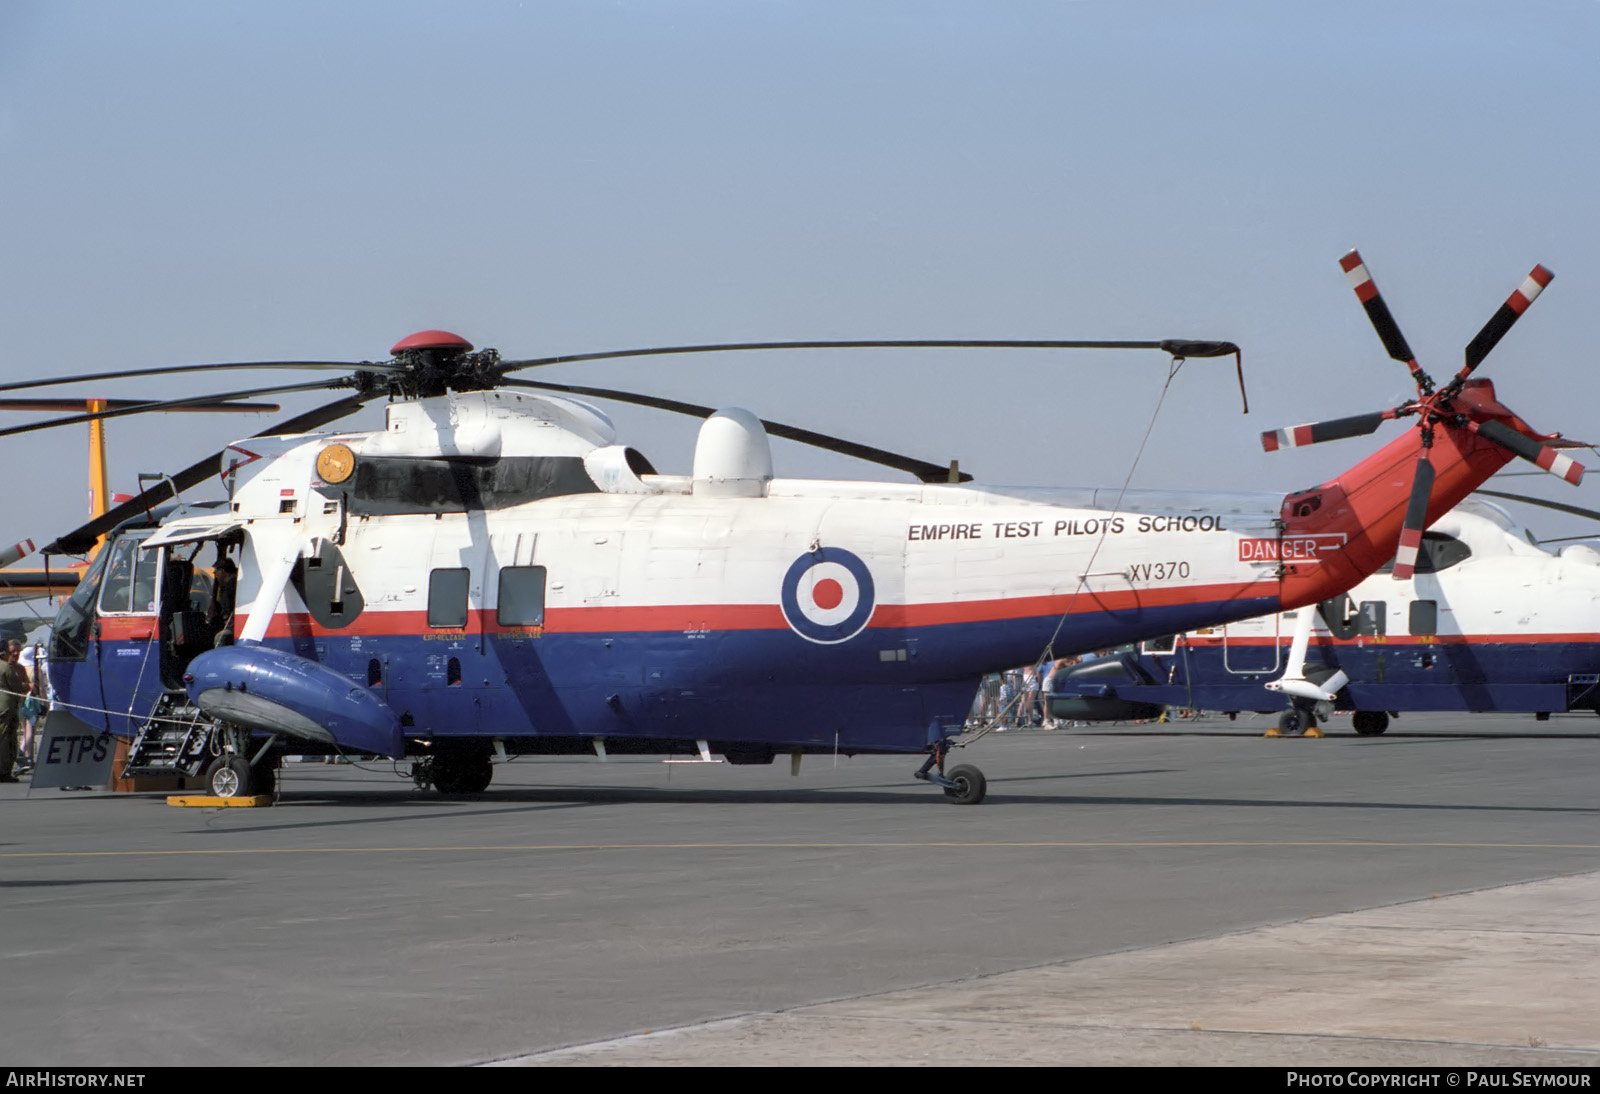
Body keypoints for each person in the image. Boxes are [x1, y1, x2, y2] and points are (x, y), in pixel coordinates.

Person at [0, 640, 26, 781]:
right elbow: (18, 688)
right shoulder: (6, 668)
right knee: (7, 740)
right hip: (6, 708)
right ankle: (4, 772)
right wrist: (27, 685)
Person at [210, 557, 238, 647]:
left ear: (222, 571)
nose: (215, 575)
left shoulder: (230, 587)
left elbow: (227, 610)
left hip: (233, 625)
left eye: (215, 572)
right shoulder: (235, 584)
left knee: (221, 637)